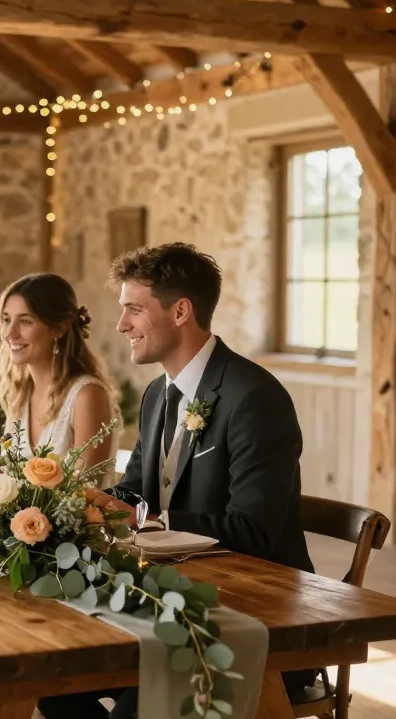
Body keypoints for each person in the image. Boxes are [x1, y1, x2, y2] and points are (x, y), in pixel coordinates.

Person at [39, 244, 315, 719]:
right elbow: (135, 489)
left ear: (181, 311)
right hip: (171, 600)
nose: (122, 325)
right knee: (48, 678)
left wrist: (148, 518)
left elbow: (253, 531)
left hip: (257, 617)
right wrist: (75, 502)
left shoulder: (254, 398)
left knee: (138, 705)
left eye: (134, 309)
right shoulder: (157, 394)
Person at [0, 273, 118, 476]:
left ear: (58, 328)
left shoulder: (86, 396)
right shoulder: (20, 394)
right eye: (7, 319)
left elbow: (86, 492)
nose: (10, 333)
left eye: (25, 321)